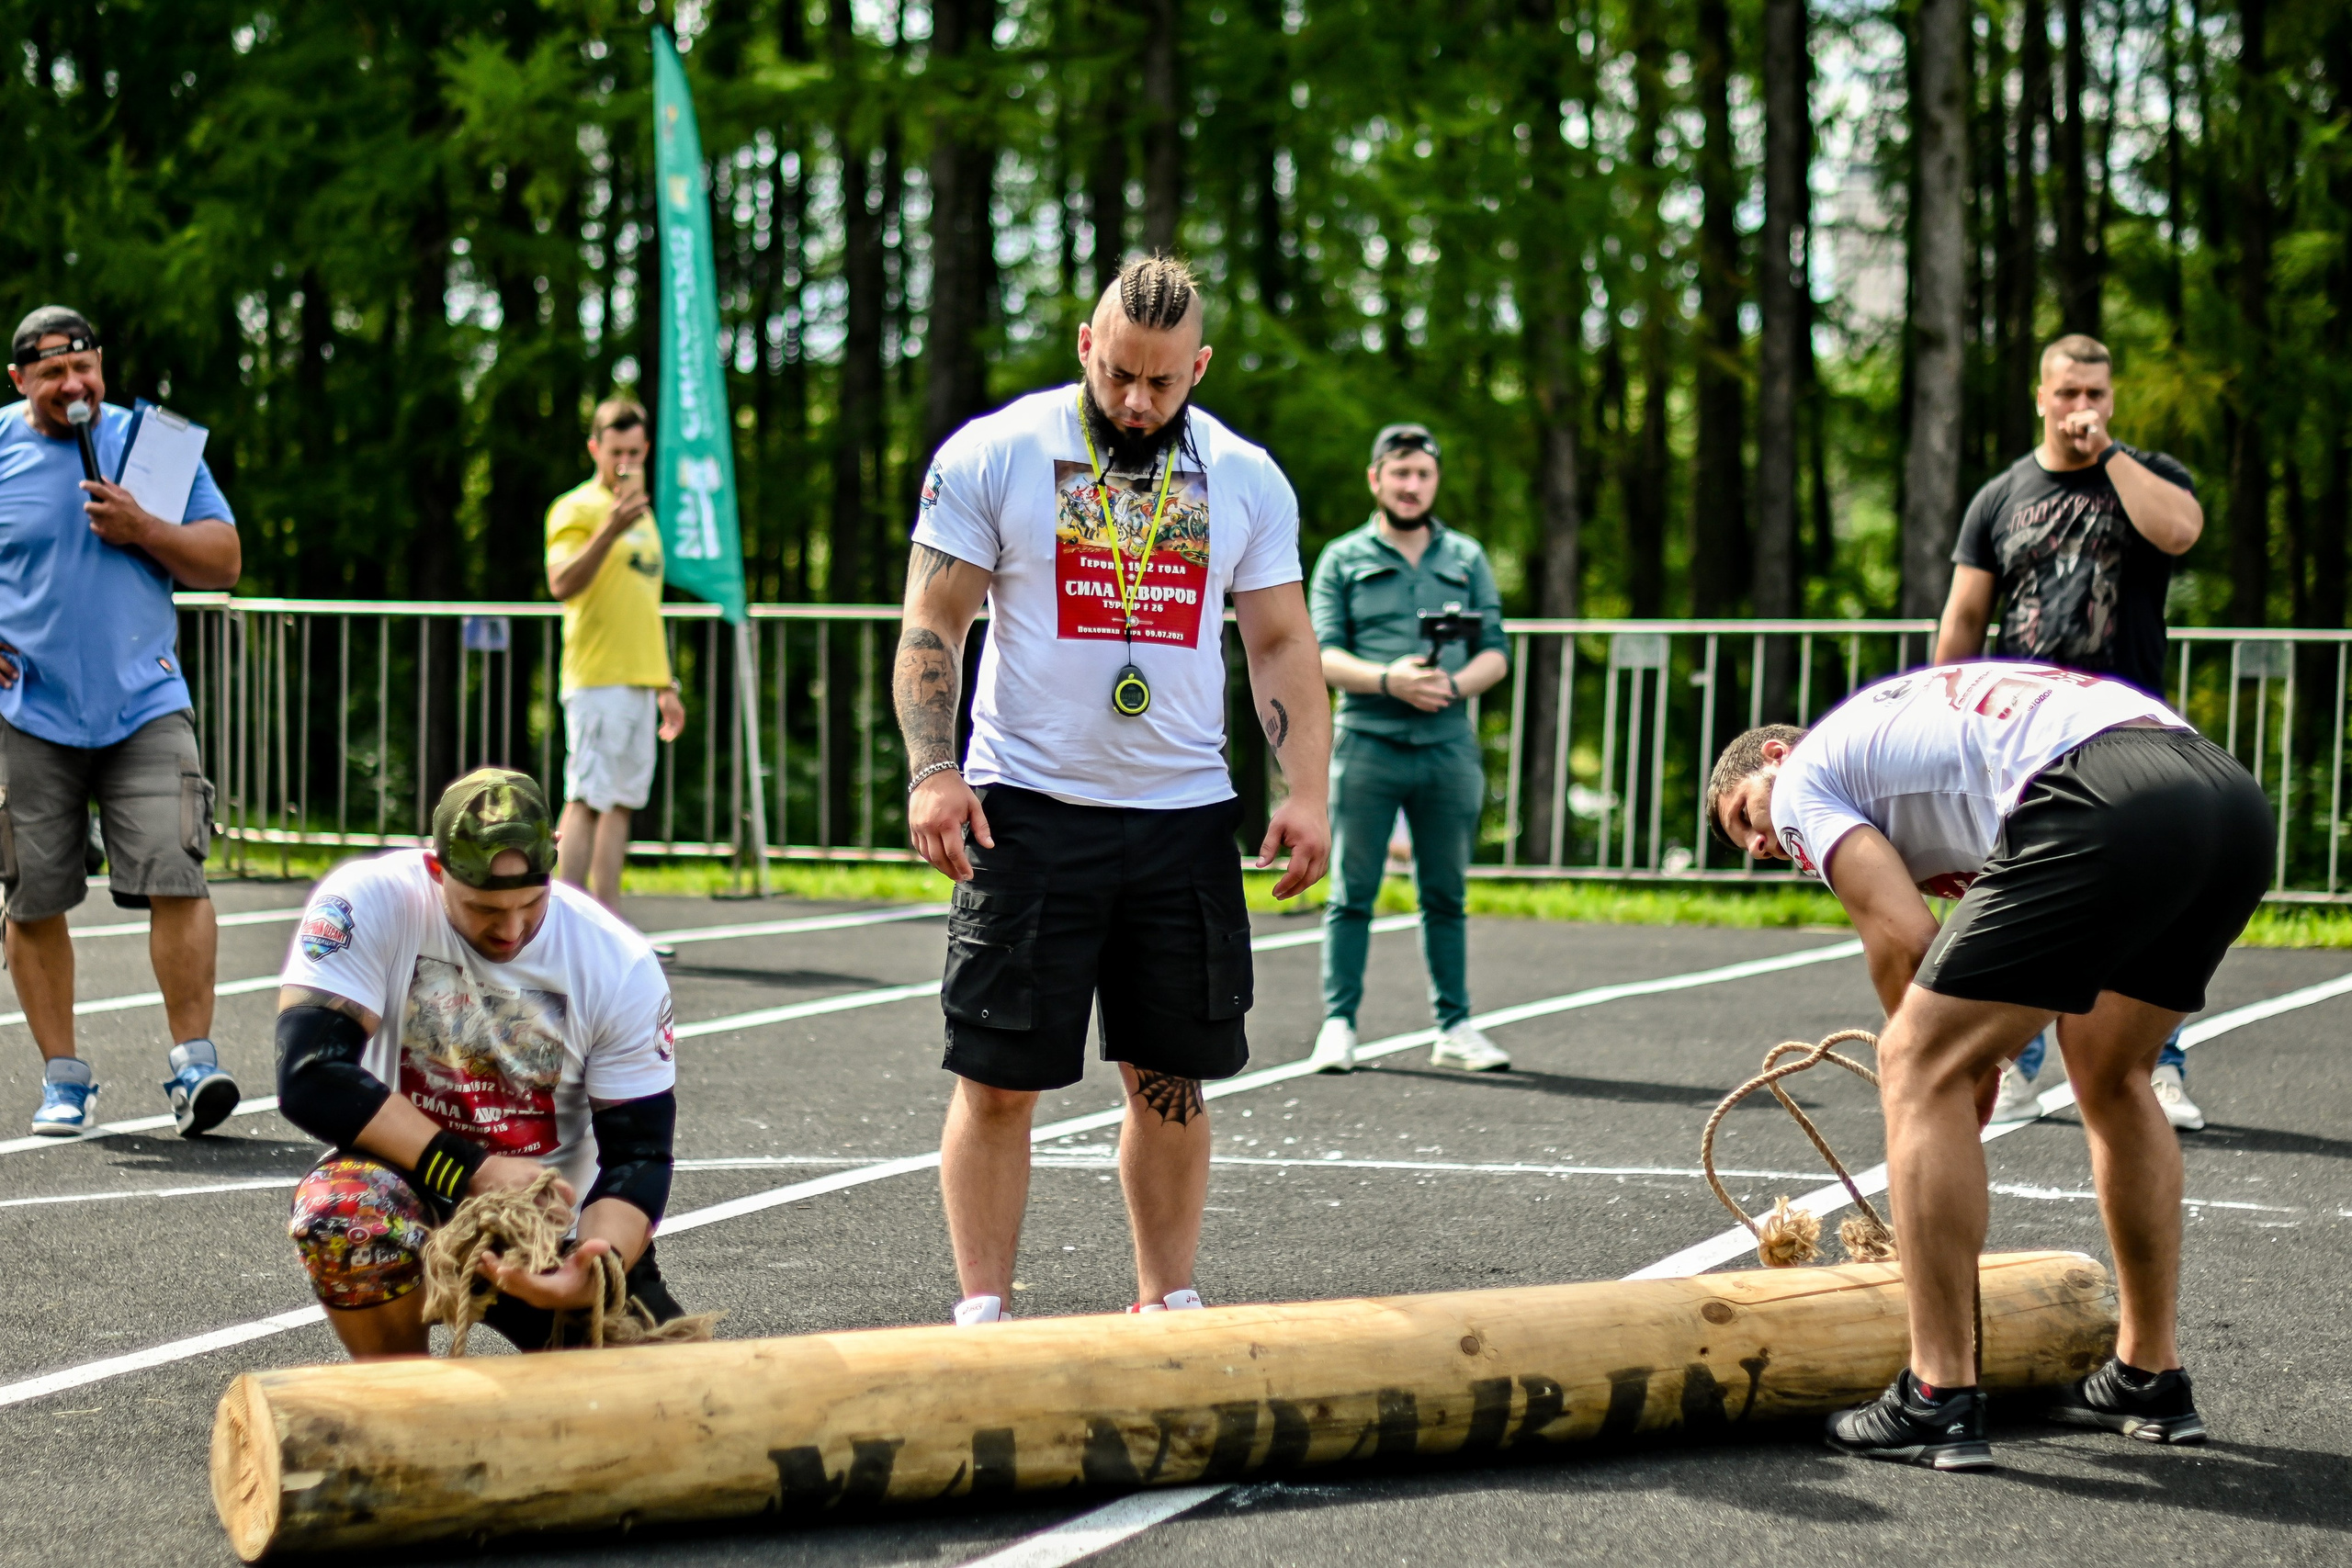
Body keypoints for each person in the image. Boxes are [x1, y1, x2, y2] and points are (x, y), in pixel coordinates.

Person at [895, 255, 1330, 1325]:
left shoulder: (1245, 476)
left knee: (1170, 1078)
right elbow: (933, 620)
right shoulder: (996, 451)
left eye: (1162, 382)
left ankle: (1166, 1303)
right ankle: (984, 1315)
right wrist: (934, 770)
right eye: (1119, 374)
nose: (1137, 401)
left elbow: (1279, 642)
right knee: (999, 1079)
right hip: (1026, 808)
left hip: (1182, 816)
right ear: (1087, 346)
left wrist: (1308, 791)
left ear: (1199, 368)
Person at [1707, 661, 2269, 1468]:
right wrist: (1975, 1056)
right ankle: (2148, 1376)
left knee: (1913, 1062)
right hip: (2223, 797)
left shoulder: (1804, 778)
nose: (1762, 845)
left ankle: (1937, 1393)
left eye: (1744, 818)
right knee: (2111, 1074)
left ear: (1772, 755)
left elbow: (1903, 938)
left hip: (2099, 791)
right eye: (1750, 848)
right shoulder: (1897, 756)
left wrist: (1942, 1070)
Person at [273, 769, 690, 1359]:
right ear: (436, 870)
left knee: (675, 1390)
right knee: (341, 1210)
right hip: (413, 1192)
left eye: (531, 903)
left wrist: (596, 1266)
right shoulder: (372, 900)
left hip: (550, 1231)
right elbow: (310, 1074)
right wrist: (472, 1170)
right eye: (484, 909)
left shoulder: (618, 963)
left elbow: (639, 1155)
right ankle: (402, 1393)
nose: (511, 930)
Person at [1937, 334, 2207, 1131]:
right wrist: (1946, 714)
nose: (2081, 407)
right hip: (2023, 734)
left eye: (2095, 394)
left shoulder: (2148, 473)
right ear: (2041, 397)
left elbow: (2180, 532)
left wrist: (2110, 454)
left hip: (2129, 726)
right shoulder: (2000, 497)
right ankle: (2014, 1068)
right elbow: (1965, 615)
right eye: (2067, 394)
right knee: (2025, 893)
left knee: (2148, 896)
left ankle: (2157, 1067)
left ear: (2111, 399)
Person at [2, 306, 243, 1137]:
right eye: (52, 374)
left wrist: (145, 528)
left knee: (178, 871)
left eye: (86, 368)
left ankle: (194, 1065)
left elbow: (224, 559)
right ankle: (64, 1079)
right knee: (33, 895)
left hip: (146, 702)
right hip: (30, 709)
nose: (74, 386)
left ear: (102, 365)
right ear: (19, 380)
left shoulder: (155, 442)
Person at [1305, 423, 1510, 1074]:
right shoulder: (1342, 557)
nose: (1411, 485)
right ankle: (1338, 1025)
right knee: (1351, 892)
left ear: (1435, 481)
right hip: (1367, 743)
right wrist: (1388, 679)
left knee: (1445, 894)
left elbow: (1496, 652)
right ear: (1376, 479)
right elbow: (1321, 653)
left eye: (1422, 473)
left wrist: (1452, 686)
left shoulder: (1466, 557)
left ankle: (1454, 1026)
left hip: (1448, 748)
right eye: (1399, 472)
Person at [544, 398, 686, 914]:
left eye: (633, 452)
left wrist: (665, 684)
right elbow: (560, 583)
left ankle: (607, 927)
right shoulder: (576, 508)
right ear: (594, 449)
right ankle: (562, 922)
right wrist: (609, 527)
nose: (624, 463)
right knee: (586, 797)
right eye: (614, 452)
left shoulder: (645, 517)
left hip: (639, 681)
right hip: (596, 676)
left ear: (645, 449)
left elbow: (643, 607)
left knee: (622, 803)